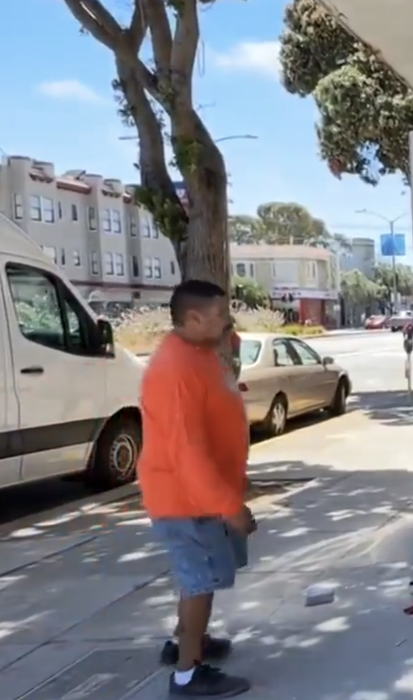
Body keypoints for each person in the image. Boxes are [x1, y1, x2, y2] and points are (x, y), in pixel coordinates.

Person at [139, 280, 255, 698]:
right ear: (193, 318)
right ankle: (188, 674)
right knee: (200, 583)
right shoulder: (175, 370)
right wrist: (228, 505)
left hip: (202, 495)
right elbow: (187, 452)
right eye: (220, 314)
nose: (228, 320)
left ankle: (185, 644)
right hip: (187, 501)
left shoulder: (199, 353)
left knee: (197, 579)